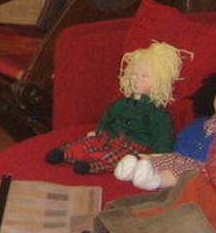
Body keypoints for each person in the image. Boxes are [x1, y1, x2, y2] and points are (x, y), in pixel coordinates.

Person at [113, 57, 216, 190]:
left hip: (199, 167)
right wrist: (160, 157)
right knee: (156, 159)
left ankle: (155, 180)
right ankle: (131, 169)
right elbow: (182, 139)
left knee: (181, 172)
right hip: (180, 156)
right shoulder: (201, 122)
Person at [45, 41, 185, 174]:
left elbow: (163, 136)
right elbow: (108, 117)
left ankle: (91, 165)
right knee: (88, 142)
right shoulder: (122, 103)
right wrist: (99, 130)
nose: (136, 80)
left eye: (144, 77)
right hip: (110, 135)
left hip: (132, 145)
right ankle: (65, 153)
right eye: (134, 75)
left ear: (158, 81)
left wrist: (159, 155)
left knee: (117, 158)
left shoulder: (156, 112)